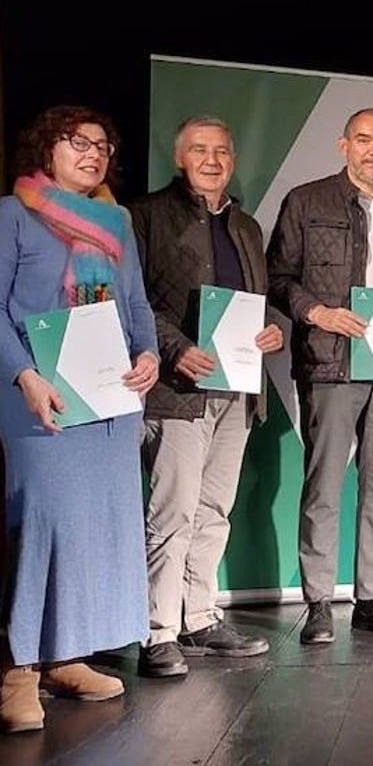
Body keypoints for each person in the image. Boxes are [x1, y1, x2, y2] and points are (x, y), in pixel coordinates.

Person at [0, 106, 159, 733]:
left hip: (110, 397)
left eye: (102, 145)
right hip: (40, 397)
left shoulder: (117, 221)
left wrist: (147, 353)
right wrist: (25, 375)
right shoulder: (13, 215)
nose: (92, 153)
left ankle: (67, 656)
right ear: (46, 149)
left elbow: (137, 302)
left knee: (95, 529)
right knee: (44, 526)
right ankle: (18, 671)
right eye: (77, 142)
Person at [267, 108, 373, 643]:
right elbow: (278, 276)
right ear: (344, 145)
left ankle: (372, 596)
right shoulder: (307, 200)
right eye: (364, 140)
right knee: (324, 484)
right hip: (331, 359)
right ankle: (318, 602)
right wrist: (317, 312)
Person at [130, 116, 285, 677]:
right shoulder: (145, 216)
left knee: (214, 509)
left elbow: (257, 303)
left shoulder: (246, 226)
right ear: (180, 157)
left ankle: (199, 616)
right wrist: (173, 348)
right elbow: (136, 301)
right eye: (200, 150)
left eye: (221, 150)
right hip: (178, 389)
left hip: (237, 388)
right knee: (170, 511)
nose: (212, 159)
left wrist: (273, 329)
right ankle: (157, 630)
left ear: (234, 159)